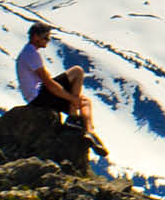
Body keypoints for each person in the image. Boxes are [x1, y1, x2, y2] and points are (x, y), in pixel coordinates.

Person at [15, 22, 108, 156]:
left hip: (37, 97)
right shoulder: (31, 53)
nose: (48, 40)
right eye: (46, 38)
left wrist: (73, 98)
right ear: (35, 37)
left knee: (85, 101)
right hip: (38, 97)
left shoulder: (29, 52)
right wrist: (72, 98)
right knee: (77, 71)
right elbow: (49, 83)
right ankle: (73, 116)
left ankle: (90, 131)